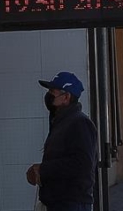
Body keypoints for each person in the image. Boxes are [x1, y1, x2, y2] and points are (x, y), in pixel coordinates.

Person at [27, 72, 97, 211]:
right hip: (58, 202)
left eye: (53, 92)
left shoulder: (79, 123)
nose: (49, 96)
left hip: (71, 202)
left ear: (66, 97)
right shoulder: (61, 122)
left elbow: (82, 164)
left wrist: (43, 169)